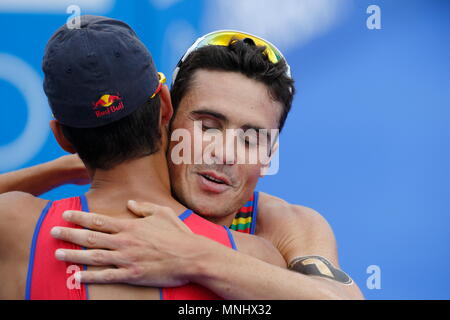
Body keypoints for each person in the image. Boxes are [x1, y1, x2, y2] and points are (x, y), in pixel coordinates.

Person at [0, 29, 364, 299]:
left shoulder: (282, 228)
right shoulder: (262, 255)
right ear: (168, 116)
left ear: (269, 154)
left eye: (252, 138)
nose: (224, 152)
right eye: (208, 126)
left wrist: (196, 257)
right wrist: (59, 169)